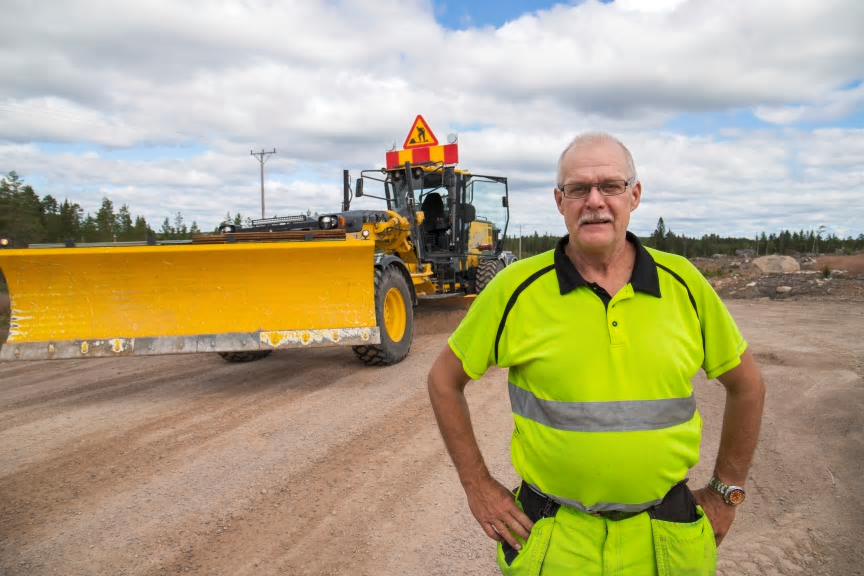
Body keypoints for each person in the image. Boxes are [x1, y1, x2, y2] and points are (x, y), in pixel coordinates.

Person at [427, 132, 766, 575]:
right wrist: (477, 485)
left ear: (634, 195)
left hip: (665, 537)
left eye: (610, 185)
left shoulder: (683, 282)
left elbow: (749, 387)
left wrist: (727, 492)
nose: (594, 201)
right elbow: (443, 380)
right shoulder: (514, 289)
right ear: (559, 200)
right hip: (553, 539)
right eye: (577, 189)